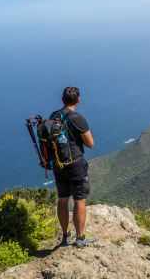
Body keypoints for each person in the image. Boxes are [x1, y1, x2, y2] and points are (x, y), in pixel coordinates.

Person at [51, 86, 95, 248]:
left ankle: (64, 236)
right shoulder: (77, 118)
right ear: (78, 100)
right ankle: (80, 238)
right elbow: (90, 143)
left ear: (63, 100)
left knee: (62, 199)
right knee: (79, 199)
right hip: (75, 164)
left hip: (58, 164)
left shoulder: (54, 116)